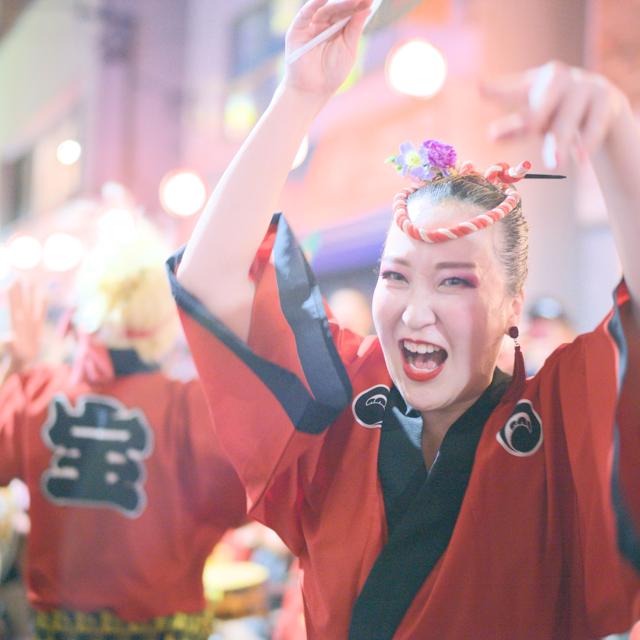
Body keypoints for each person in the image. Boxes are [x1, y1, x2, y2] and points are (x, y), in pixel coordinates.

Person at [170, 0, 640, 637]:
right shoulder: (341, 401)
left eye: (454, 281)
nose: (416, 312)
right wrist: (298, 96)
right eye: (395, 276)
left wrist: (617, 135)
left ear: (512, 305)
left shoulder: (558, 425)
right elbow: (210, 283)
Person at [0, 219, 246, 639]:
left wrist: (15, 370)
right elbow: (240, 505)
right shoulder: (192, 408)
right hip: (165, 629)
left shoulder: (36, 391)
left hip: (59, 630)